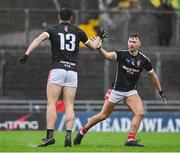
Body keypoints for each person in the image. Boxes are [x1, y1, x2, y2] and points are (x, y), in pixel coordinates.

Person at [19, 8, 107, 147]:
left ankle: (50, 136)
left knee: (51, 103)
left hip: (58, 69)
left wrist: (27, 54)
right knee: (69, 105)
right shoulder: (78, 31)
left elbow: (38, 39)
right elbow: (94, 46)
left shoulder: (52, 29)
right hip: (72, 71)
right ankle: (68, 136)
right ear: (71, 17)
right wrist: (100, 36)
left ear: (59, 16)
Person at [74, 34, 167, 147]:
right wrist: (99, 48)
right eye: (130, 42)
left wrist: (160, 91)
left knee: (140, 112)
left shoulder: (144, 60)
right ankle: (81, 132)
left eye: (134, 42)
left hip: (131, 91)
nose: (131, 44)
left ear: (139, 44)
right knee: (103, 115)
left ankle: (130, 140)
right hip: (116, 90)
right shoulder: (121, 54)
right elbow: (107, 55)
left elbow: (153, 76)